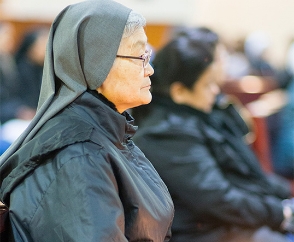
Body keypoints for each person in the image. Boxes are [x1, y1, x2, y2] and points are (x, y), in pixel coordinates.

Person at [0, 1, 174, 241]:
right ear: (96, 63)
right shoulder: (77, 155)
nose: (150, 69)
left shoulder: (110, 130)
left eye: (148, 55)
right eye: (140, 55)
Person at [133, 27, 294, 242]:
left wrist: (282, 198)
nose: (216, 92)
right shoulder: (166, 134)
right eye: (208, 85)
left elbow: (245, 175)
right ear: (179, 91)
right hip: (205, 231)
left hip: (223, 223)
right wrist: (279, 213)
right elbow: (219, 199)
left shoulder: (202, 115)